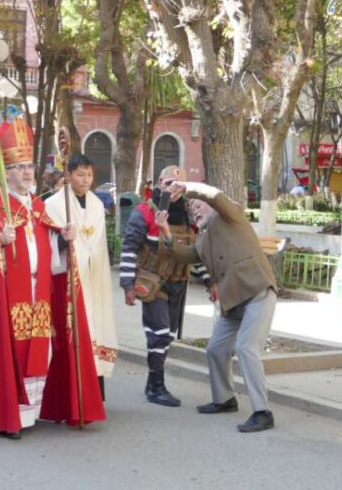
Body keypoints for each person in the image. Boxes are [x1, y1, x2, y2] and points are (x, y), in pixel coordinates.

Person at [0, 118, 99, 438]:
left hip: (40, 292)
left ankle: (29, 412)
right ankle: (10, 415)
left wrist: (63, 236)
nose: (26, 173)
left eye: (29, 166)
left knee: (40, 351)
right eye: (19, 167)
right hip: (8, 296)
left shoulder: (37, 207)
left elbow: (52, 255)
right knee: (13, 353)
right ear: (6, 172)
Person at [159, 180, 279, 433]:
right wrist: (167, 236)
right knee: (215, 349)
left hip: (257, 292)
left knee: (246, 348)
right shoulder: (203, 240)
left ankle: (262, 411)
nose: (196, 209)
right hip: (232, 303)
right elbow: (187, 256)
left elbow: (216, 196)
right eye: (192, 208)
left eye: (200, 205)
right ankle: (225, 399)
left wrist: (187, 187)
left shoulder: (231, 217)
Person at [118, 166, 203, 407]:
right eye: (168, 184)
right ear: (158, 183)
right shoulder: (144, 212)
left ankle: (152, 382)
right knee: (158, 333)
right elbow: (129, 248)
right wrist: (127, 284)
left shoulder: (189, 214)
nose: (172, 190)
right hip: (153, 283)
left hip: (179, 284)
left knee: (167, 336)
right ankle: (156, 386)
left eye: (178, 186)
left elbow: (196, 252)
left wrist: (210, 281)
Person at [44, 155, 118, 391]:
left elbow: (97, 242)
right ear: (68, 175)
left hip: (94, 275)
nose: (86, 180)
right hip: (68, 276)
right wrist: (64, 241)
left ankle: (94, 388)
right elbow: (49, 243)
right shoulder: (54, 205)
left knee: (95, 323)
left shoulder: (97, 204)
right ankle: (71, 391)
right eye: (80, 174)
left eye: (89, 175)